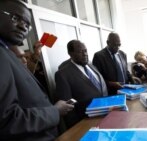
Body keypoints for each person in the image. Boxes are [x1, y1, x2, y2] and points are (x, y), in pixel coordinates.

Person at [0, 1, 74, 141]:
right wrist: (55, 111)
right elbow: (7, 120)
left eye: (27, 24)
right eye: (15, 18)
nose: (23, 26)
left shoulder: (6, 52)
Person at [55, 40, 108, 128]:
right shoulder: (63, 74)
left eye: (85, 50)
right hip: (87, 122)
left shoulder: (91, 65)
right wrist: (75, 129)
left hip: (105, 114)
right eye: (80, 51)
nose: (85, 54)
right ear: (70, 54)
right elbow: (68, 108)